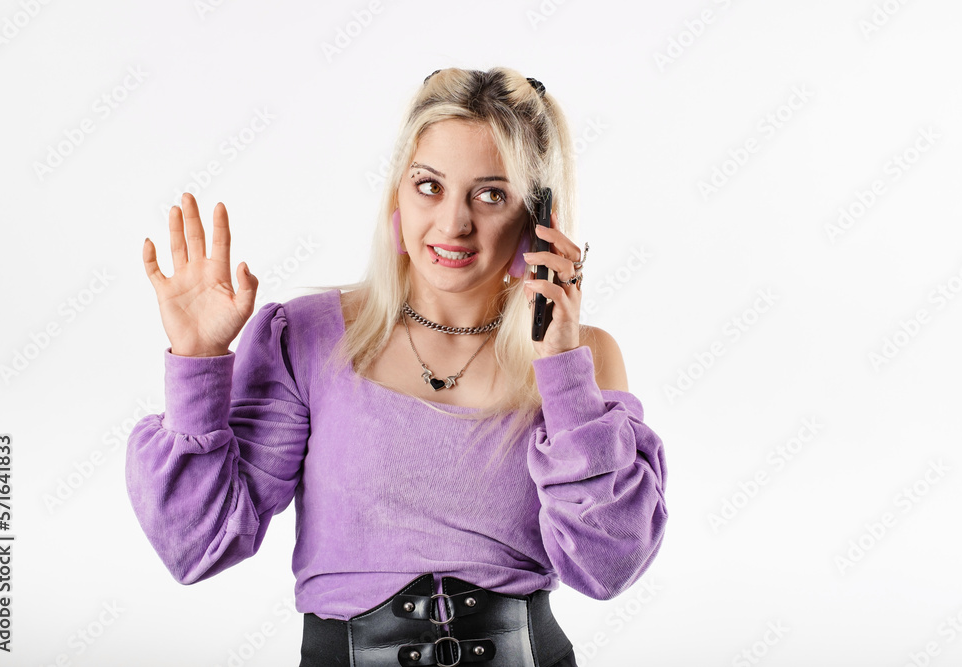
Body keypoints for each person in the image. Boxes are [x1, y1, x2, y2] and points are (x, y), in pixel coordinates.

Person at [126, 66, 668, 667]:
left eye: (491, 194)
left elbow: (609, 566)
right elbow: (197, 545)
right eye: (429, 186)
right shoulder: (304, 337)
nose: (453, 223)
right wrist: (197, 362)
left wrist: (561, 368)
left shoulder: (581, 358)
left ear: (539, 219)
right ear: (397, 197)